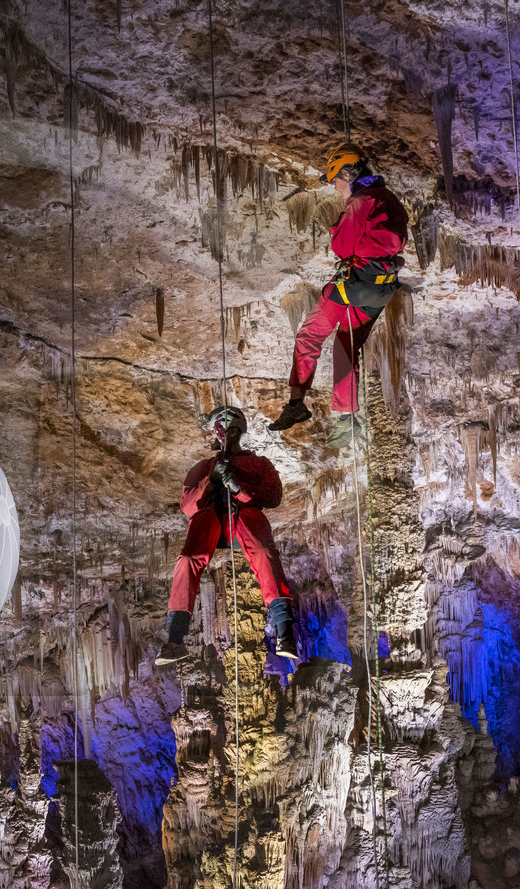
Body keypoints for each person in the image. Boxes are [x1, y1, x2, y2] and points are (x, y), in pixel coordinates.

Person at [269, 146, 409, 446]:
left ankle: (296, 404)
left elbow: (343, 248)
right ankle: (347, 418)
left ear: (347, 173)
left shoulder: (360, 201)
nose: (335, 186)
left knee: (310, 335)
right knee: (346, 348)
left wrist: (337, 226)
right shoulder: (389, 199)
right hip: (381, 289)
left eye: (335, 179)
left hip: (354, 285)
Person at [156, 406, 298, 665]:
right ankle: (175, 638)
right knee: (187, 559)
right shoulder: (203, 466)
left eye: (212, 432)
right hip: (209, 519)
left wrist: (237, 486)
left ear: (226, 431)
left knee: (264, 554)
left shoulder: (259, 464)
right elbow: (188, 506)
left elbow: (273, 496)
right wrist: (210, 480)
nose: (210, 437)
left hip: (244, 515)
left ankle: (285, 631)